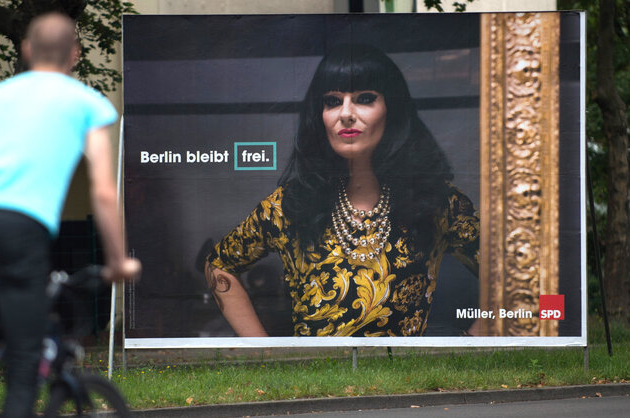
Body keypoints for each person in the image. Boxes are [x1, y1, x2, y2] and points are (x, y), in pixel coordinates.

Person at [205, 43, 479, 338]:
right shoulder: (290, 205)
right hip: (313, 381)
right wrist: (265, 351)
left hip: (406, 380)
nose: (346, 114)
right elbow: (219, 266)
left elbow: (514, 274)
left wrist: (471, 344)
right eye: (333, 101)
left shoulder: (436, 202)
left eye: (364, 98)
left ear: (392, 109)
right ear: (319, 115)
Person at [0, 12, 140, 417]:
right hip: (19, 228)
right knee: (24, 360)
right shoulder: (88, 103)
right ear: (76, 54)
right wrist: (119, 260)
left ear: (26, 49)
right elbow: (104, 191)